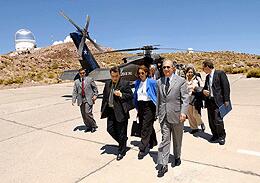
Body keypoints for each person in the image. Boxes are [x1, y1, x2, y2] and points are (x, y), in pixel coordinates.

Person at [156, 59, 189, 177]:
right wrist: (158, 113)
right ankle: (163, 164)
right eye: (164, 67)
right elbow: (159, 99)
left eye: (168, 67)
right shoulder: (159, 81)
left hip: (177, 115)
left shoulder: (181, 81)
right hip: (164, 116)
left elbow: (185, 98)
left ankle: (177, 155)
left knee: (177, 139)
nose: (165, 69)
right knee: (165, 140)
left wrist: (184, 113)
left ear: (173, 68)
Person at [101, 66, 134, 161]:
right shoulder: (108, 84)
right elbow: (105, 97)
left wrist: (121, 95)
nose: (114, 78)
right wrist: (102, 109)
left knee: (121, 132)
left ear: (119, 75)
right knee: (110, 129)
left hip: (121, 112)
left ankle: (121, 151)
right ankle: (123, 142)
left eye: (116, 76)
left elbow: (130, 95)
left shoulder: (124, 83)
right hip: (110, 111)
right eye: (112, 76)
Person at [202, 60, 231, 145]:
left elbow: (226, 86)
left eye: (203, 67)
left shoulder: (220, 73)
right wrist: (204, 91)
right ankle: (215, 135)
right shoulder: (207, 77)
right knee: (211, 120)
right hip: (210, 101)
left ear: (207, 67)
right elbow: (205, 87)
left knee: (218, 120)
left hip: (218, 101)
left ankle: (222, 136)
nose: (202, 69)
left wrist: (226, 100)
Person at [133, 65, 157, 159]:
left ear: (146, 73)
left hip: (149, 106)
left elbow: (156, 93)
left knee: (145, 128)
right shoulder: (137, 82)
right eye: (139, 73)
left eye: (142, 73)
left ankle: (142, 148)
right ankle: (152, 141)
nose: (140, 75)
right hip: (140, 106)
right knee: (146, 125)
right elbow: (136, 94)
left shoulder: (151, 82)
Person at [72, 68, 98, 133]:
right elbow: (75, 91)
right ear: (79, 74)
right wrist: (73, 100)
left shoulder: (90, 79)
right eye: (81, 73)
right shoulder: (76, 82)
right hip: (81, 99)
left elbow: (95, 88)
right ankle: (88, 126)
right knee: (83, 114)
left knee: (88, 113)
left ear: (85, 73)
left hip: (89, 99)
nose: (82, 74)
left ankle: (93, 126)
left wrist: (95, 95)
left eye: (83, 73)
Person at [185, 66, 205, 134]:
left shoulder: (197, 78)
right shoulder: (185, 80)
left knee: (195, 113)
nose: (190, 73)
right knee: (190, 114)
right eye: (189, 72)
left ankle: (201, 122)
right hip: (187, 99)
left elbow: (202, 86)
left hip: (195, 98)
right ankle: (194, 128)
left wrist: (195, 88)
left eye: (191, 72)